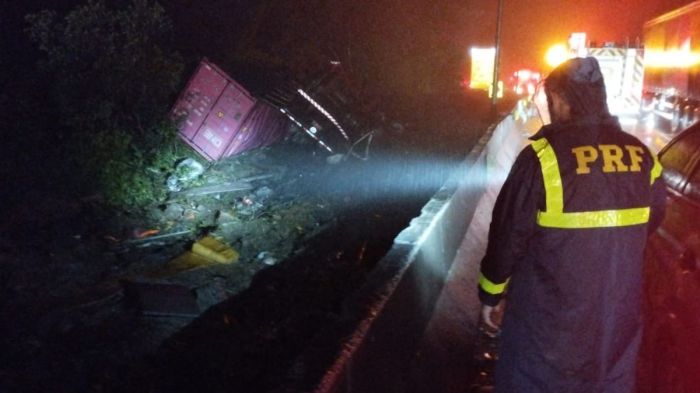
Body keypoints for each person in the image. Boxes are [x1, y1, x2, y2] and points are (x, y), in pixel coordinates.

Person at [477, 57, 667, 393]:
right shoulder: (643, 157)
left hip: (545, 332)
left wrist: (490, 294)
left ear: (562, 100)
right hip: (615, 327)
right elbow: (652, 221)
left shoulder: (542, 158)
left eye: (551, 100)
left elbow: (508, 235)